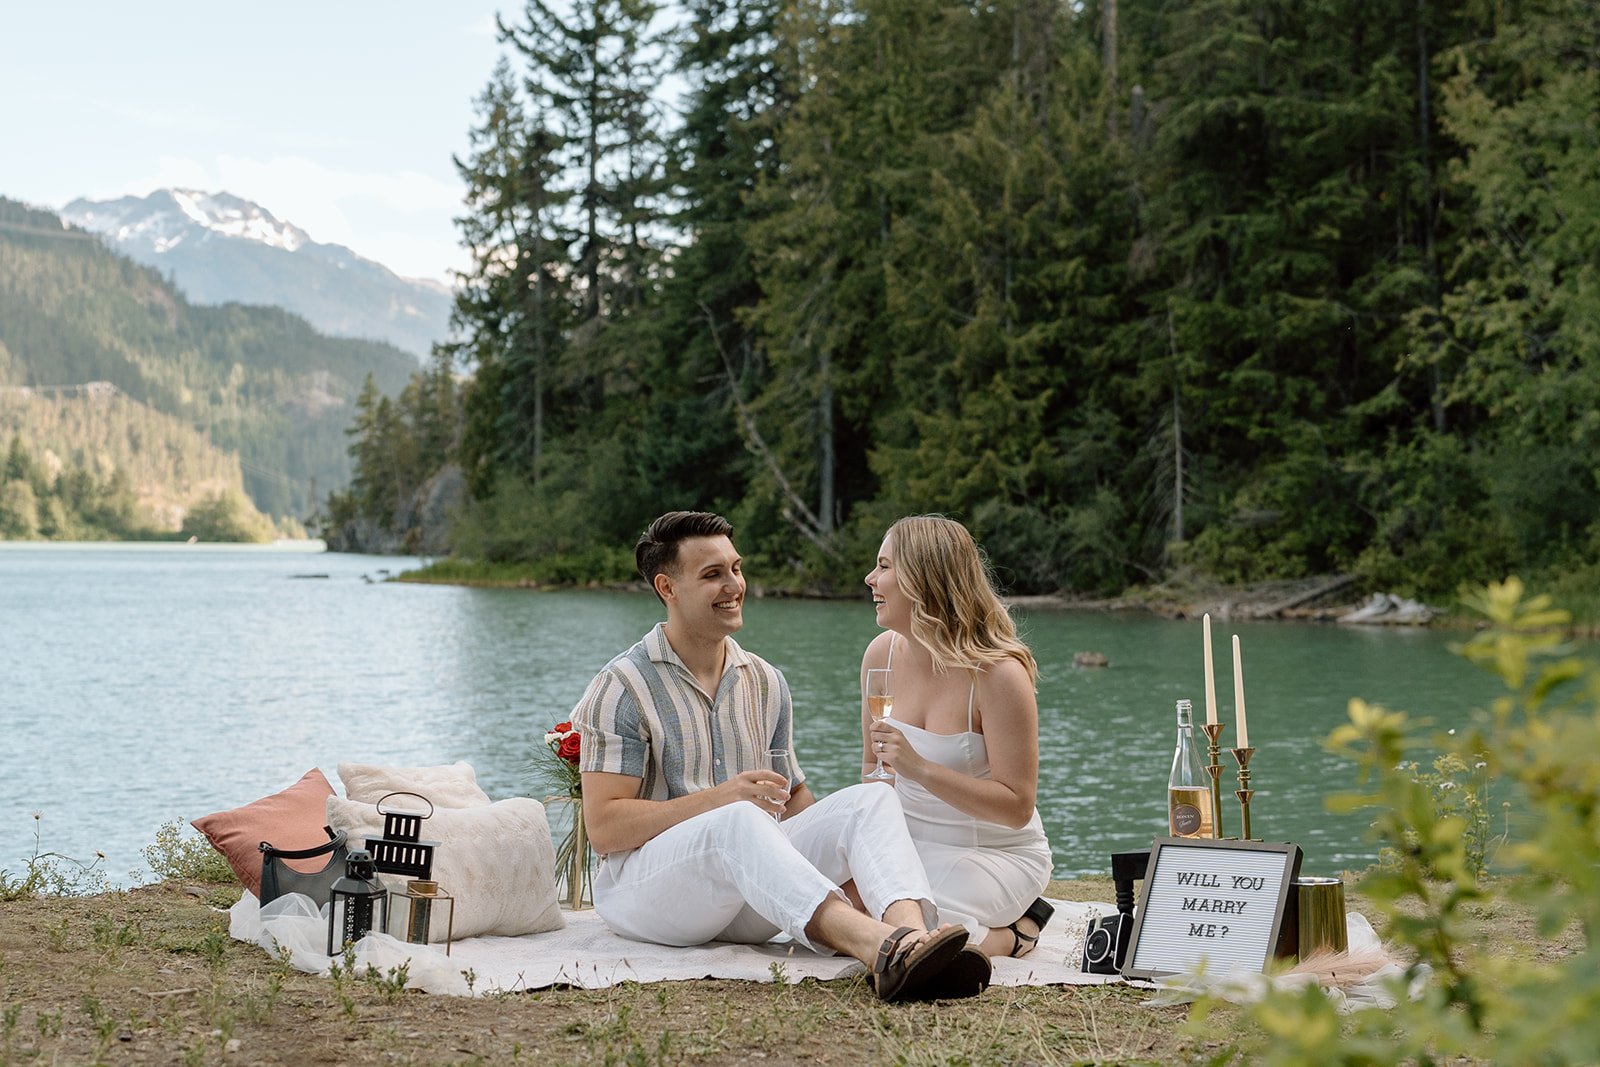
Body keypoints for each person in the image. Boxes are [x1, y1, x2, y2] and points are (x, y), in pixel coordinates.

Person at [570, 510, 988, 1001]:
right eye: (712, 575)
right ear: (668, 588)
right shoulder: (621, 686)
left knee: (869, 801)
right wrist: (718, 800)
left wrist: (844, 859)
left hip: (744, 890)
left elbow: (791, 799)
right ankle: (878, 948)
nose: (734, 585)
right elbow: (604, 829)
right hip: (647, 894)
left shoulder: (764, 680)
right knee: (737, 819)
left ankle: (914, 941)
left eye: (736, 568)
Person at [860, 515, 1055, 960]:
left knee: (910, 918)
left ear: (922, 578)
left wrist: (921, 770)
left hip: (993, 851)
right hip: (909, 844)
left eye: (884, 566)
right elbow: (873, 778)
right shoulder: (879, 656)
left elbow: (1016, 807)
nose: (871, 579)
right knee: (839, 899)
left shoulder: (999, 674)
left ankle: (1015, 934)